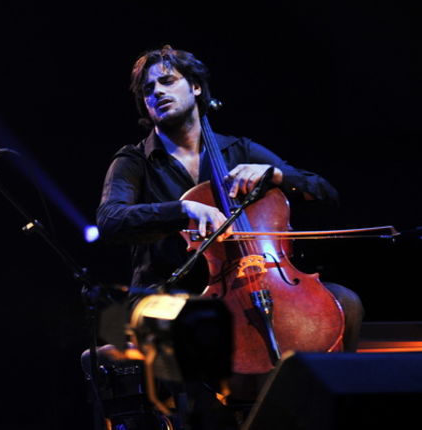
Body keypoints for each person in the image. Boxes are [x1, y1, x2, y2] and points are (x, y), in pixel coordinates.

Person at [93, 45, 363, 424]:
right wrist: (182, 209)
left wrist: (276, 175)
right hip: (173, 291)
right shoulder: (134, 161)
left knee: (345, 301)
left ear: (197, 89)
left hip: (255, 278)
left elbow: (326, 192)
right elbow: (111, 220)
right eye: (148, 89)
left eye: (167, 81)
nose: (157, 92)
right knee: (196, 328)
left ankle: (334, 411)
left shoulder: (239, 150)